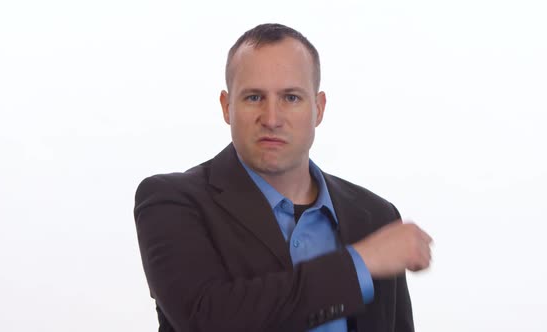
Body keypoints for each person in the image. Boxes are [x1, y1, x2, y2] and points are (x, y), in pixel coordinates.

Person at [134, 23, 432, 332]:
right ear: (226, 107)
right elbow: (207, 318)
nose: (272, 119)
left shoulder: (376, 215)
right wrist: (359, 262)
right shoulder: (170, 201)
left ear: (318, 108)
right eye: (253, 98)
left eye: (290, 98)